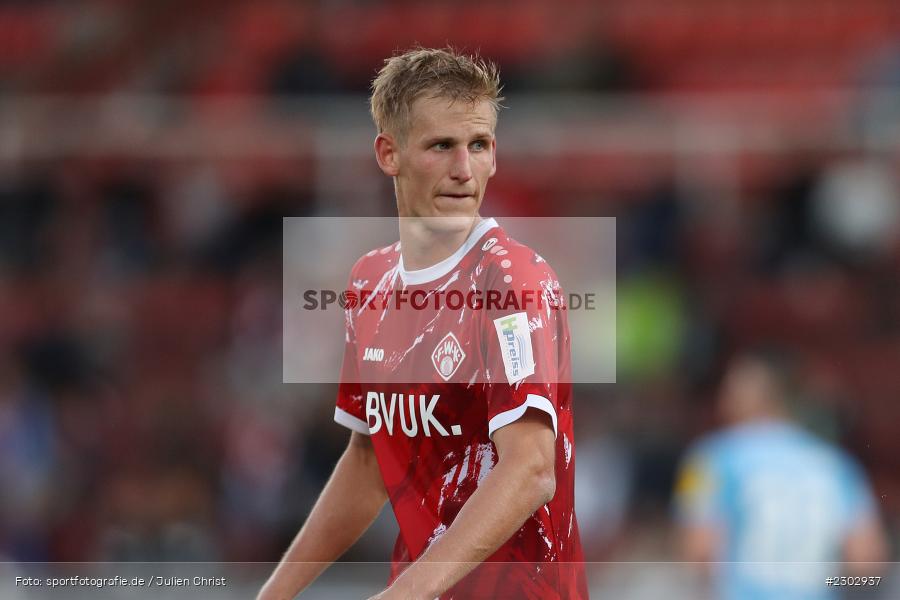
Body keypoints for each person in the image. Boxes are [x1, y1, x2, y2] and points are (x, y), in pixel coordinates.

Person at [259, 48, 588, 599]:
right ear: (389, 153)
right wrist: (274, 595)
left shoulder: (512, 280)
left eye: (478, 145)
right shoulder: (371, 282)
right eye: (442, 146)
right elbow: (369, 460)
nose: (464, 170)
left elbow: (531, 468)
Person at [674, 350, 888, 600]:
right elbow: (867, 561)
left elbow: (697, 551)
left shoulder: (706, 457)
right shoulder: (838, 465)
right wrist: (821, 578)